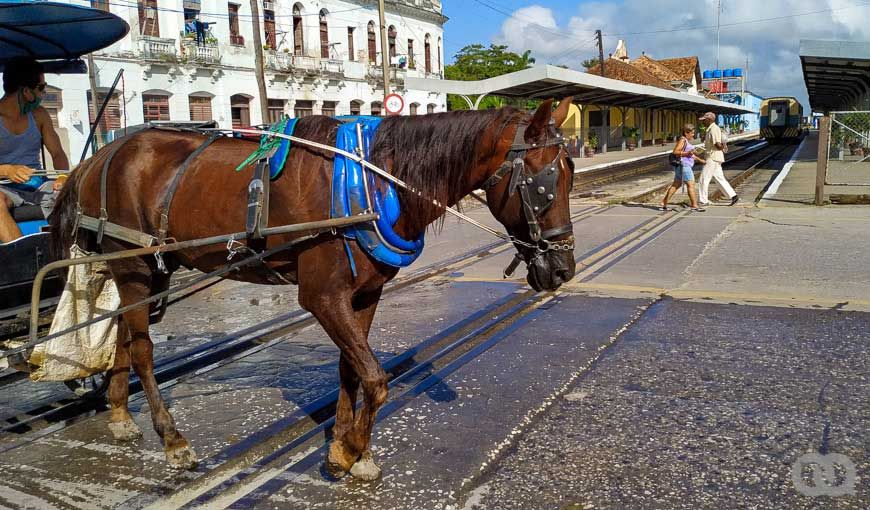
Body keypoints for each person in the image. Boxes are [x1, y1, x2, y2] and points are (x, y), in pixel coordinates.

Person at [0, 58, 70, 243]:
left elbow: (57, 153)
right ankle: (23, 259)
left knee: (78, 195)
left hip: (39, 184)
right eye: (41, 87)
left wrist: (63, 177)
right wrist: (7, 170)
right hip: (4, 188)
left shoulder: (40, 115)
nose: (43, 93)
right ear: (26, 91)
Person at [660, 123, 705, 212]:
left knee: (676, 184)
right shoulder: (683, 140)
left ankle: (664, 203)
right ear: (686, 132)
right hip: (684, 166)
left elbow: (689, 155)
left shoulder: (685, 141)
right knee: (691, 185)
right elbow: (675, 152)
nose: (693, 135)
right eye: (691, 133)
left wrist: (699, 159)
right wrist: (687, 153)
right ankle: (694, 205)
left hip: (681, 165)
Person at [697, 111, 738, 206]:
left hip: (712, 157)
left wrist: (723, 146)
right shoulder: (711, 129)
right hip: (715, 157)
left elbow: (717, 144)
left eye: (704, 120)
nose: (703, 122)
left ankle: (703, 200)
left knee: (704, 179)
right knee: (719, 178)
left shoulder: (713, 129)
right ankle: (733, 196)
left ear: (709, 119)